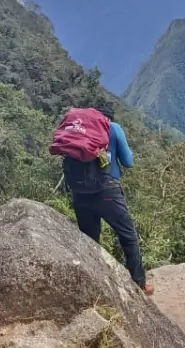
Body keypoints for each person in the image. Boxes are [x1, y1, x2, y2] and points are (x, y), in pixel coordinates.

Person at [69, 104, 153, 295]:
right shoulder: (113, 128)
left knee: (89, 239)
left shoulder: (79, 128)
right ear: (109, 117)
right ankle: (139, 283)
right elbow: (128, 162)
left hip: (79, 192)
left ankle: (91, 286)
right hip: (107, 191)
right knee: (128, 235)